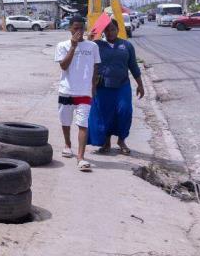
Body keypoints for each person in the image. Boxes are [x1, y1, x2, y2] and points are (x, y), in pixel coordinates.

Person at [89, 19, 145, 154]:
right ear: (103, 31)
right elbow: (83, 56)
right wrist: (88, 40)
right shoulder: (96, 45)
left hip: (122, 85)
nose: (110, 32)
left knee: (125, 111)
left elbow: (133, 66)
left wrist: (140, 85)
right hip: (103, 86)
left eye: (113, 29)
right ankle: (106, 142)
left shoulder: (126, 45)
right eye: (107, 30)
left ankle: (121, 140)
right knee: (105, 114)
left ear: (118, 30)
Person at [54, 15, 100, 171]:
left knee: (83, 124)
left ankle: (81, 158)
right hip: (66, 90)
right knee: (65, 122)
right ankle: (67, 144)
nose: (79, 31)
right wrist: (73, 47)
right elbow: (64, 66)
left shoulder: (92, 46)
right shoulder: (62, 45)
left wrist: (93, 86)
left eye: (81, 28)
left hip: (84, 92)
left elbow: (95, 68)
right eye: (75, 28)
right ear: (69, 29)